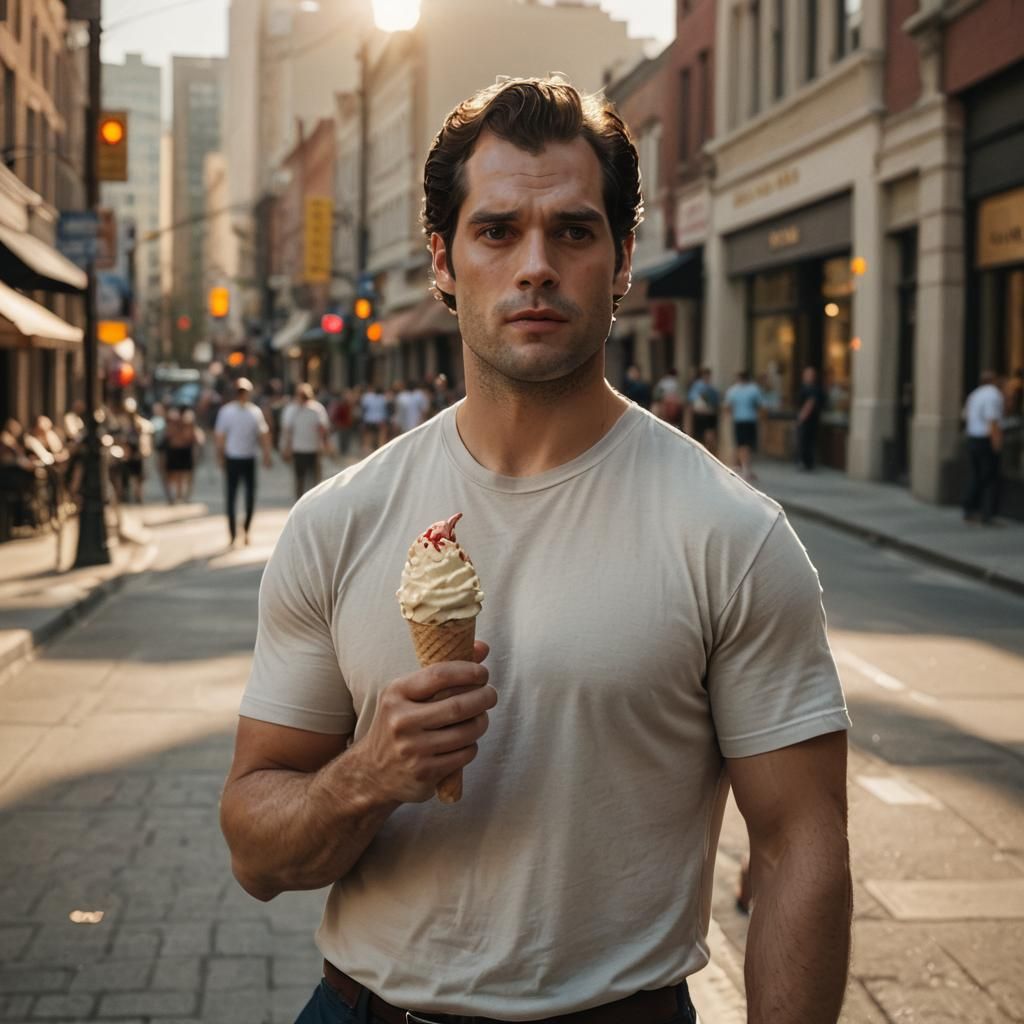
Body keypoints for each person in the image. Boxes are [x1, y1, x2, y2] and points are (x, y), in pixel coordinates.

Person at [220, 76, 852, 1024]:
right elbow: (256, 856)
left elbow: (803, 843)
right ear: (443, 259)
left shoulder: (731, 533)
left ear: (623, 257)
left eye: (574, 230)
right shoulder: (338, 521)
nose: (536, 265)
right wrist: (367, 775)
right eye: (497, 230)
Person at [214, 378, 273, 546]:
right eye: (240, 392)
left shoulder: (254, 412)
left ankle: (246, 529)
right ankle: (232, 534)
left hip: (249, 458)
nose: (242, 395)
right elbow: (220, 436)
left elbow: (263, 434)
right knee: (231, 497)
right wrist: (220, 456)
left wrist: (267, 454)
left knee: (250, 497)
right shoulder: (227, 412)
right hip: (232, 458)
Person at [962, 369, 1004, 525]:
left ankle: (970, 508)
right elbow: (992, 421)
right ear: (994, 380)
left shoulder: (975, 394)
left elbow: (966, 416)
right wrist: (997, 444)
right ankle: (987, 514)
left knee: (976, 475)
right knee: (989, 478)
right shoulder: (993, 394)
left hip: (973, 438)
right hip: (985, 440)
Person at [281, 382, 330, 501]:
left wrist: (324, 445)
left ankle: (313, 501)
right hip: (298, 449)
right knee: (300, 479)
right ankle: (300, 502)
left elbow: (323, 429)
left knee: (314, 479)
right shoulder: (292, 410)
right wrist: (287, 448)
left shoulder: (317, 409)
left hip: (314, 449)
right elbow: (288, 430)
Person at [724, 369, 763, 481]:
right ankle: (745, 468)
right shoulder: (754, 389)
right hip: (751, 420)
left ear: (738, 378)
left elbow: (727, 407)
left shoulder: (733, 390)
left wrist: (731, 415)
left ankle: (744, 468)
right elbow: (760, 406)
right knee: (747, 445)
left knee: (741, 444)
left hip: (739, 420)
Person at [795, 366, 827, 471]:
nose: (806, 376)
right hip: (808, 419)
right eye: (805, 374)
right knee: (805, 441)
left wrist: (801, 417)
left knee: (806, 441)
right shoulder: (805, 387)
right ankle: (805, 462)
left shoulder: (813, 388)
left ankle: (806, 462)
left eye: (808, 374)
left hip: (809, 420)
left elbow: (810, 403)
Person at [687, 367, 720, 454]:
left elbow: (691, 401)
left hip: (704, 414)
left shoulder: (708, 387)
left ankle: (707, 453)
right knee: (706, 436)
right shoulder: (703, 387)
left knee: (707, 436)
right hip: (703, 414)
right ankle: (707, 453)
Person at [359, 383, 389, 453]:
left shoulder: (367, 397)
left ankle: (368, 453)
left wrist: (362, 420)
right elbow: (387, 409)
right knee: (381, 438)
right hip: (380, 420)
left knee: (368, 438)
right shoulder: (384, 398)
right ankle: (380, 452)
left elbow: (363, 408)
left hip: (369, 419)